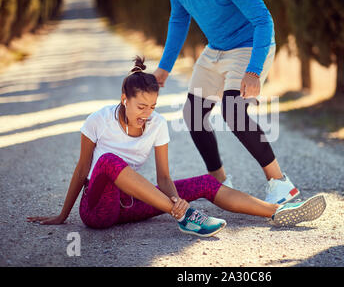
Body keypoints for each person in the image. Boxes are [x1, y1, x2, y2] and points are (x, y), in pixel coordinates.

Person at [27, 57, 326, 237]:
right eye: (141, 106)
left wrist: (175, 198)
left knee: (206, 182)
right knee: (107, 160)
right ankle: (185, 217)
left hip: (134, 205)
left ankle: (277, 211)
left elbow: (164, 179)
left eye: (153, 106)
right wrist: (63, 215)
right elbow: (82, 170)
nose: (148, 113)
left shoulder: (157, 124)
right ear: (123, 98)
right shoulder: (97, 121)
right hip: (99, 210)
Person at [152, 0, 301, 204]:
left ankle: (280, 183)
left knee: (234, 111)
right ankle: (219, 183)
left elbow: (263, 21)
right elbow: (179, 18)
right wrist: (164, 67)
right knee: (193, 114)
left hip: (249, 45)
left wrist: (253, 71)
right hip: (216, 48)